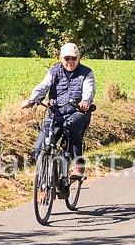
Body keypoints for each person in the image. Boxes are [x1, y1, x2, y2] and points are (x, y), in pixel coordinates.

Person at [21, 42, 95, 179]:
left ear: (78, 58)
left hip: (78, 113)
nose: (70, 62)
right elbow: (44, 85)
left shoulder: (86, 73)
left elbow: (88, 90)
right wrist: (32, 99)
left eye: (74, 58)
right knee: (40, 147)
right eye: (67, 58)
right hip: (55, 113)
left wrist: (85, 101)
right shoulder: (54, 71)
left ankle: (78, 165)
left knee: (71, 126)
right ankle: (43, 185)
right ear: (60, 58)